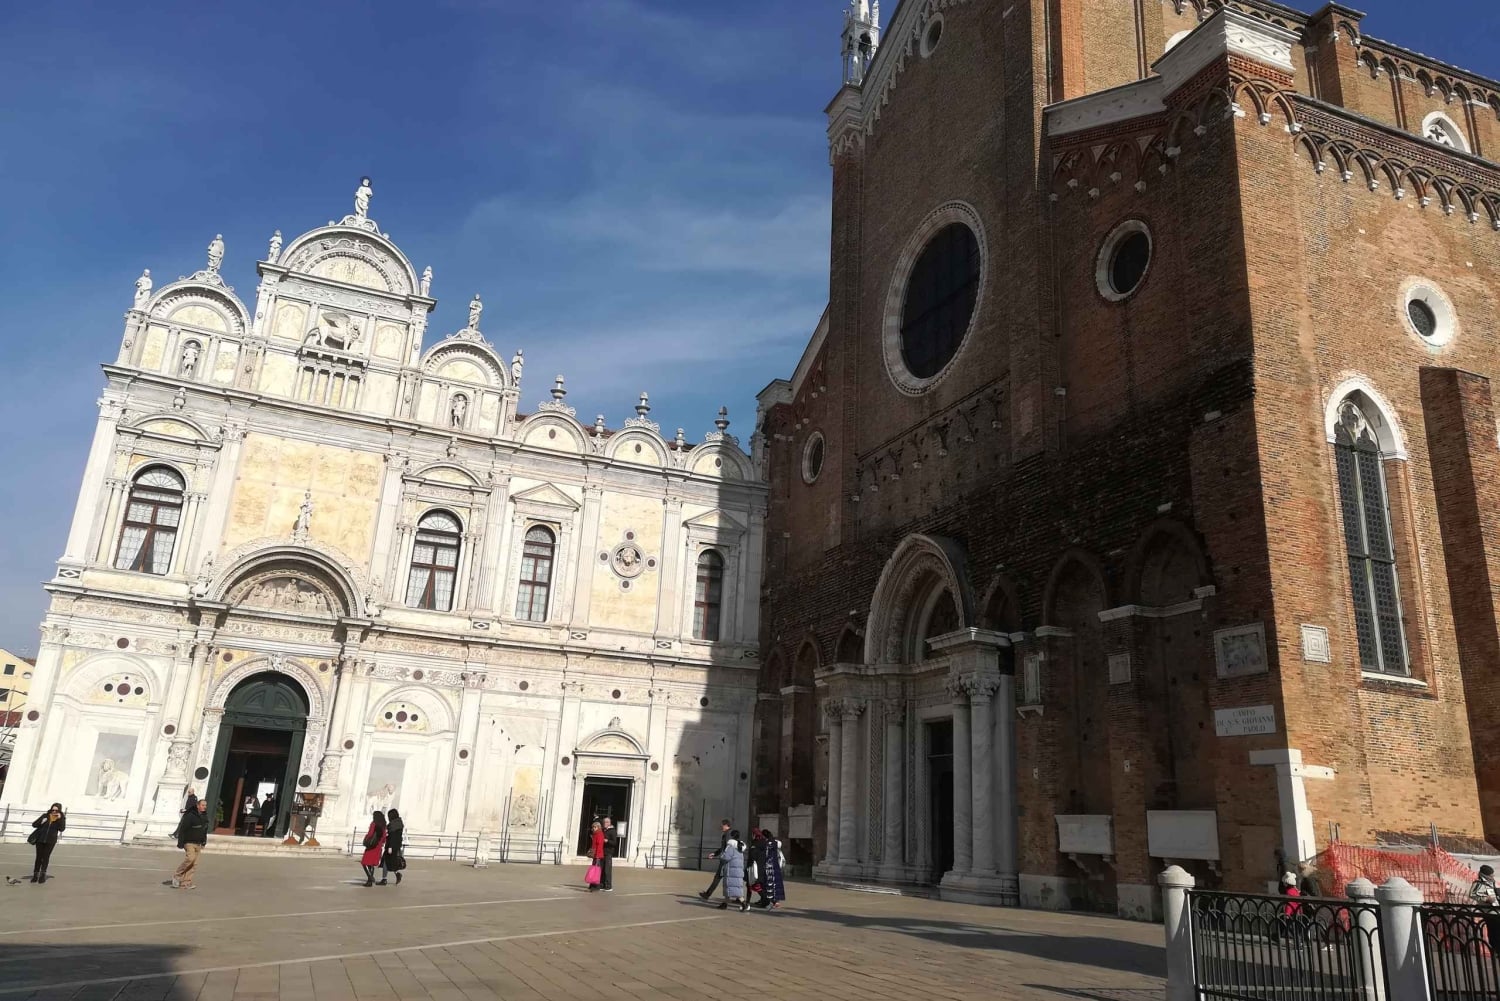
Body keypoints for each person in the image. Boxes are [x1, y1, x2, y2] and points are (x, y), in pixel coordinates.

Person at [171, 797, 209, 889]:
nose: (205, 807)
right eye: (203, 805)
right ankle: (177, 875)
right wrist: (180, 842)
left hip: (198, 843)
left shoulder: (205, 817)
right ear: (198, 806)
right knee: (190, 859)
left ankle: (186, 882)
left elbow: (204, 830)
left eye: (206, 805)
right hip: (189, 842)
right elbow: (183, 829)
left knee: (194, 864)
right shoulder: (190, 816)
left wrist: (204, 841)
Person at [29, 803, 66, 884]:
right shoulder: (45, 815)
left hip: (50, 841)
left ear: (59, 810)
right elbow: (34, 824)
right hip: (40, 840)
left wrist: (60, 819)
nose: (54, 811)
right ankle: (35, 875)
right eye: (53, 810)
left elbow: (62, 829)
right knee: (38, 857)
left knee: (45, 857)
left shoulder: (61, 818)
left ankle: (42, 875)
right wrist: (41, 822)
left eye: (56, 810)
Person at [698, 819, 733, 900]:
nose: (721, 827)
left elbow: (727, 848)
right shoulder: (728, 834)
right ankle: (738, 897)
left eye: (722, 825)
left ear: (726, 825)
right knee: (729, 878)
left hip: (725, 860)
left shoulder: (727, 835)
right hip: (727, 859)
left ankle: (708, 894)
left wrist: (719, 855)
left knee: (718, 877)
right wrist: (715, 854)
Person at [718, 830, 749, 912]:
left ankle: (744, 903)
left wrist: (721, 856)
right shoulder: (740, 847)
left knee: (731, 887)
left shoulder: (731, 846)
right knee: (734, 887)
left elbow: (726, 857)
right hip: (738, 871)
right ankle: (725, 903)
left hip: (731, 870)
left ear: (731, 836)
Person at [758, 826, 787, 909]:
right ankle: (776, 901)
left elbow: (765, 855)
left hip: (769, 867)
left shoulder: (766, 844)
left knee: (769, 884)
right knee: (776, 883)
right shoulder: (775, 842)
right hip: (775, 866)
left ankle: (771, 901)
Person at [360, 811, 387, 887]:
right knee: (371, 863)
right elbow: (384, 836)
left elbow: (370, 834)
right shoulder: (383, 825)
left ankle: (370, 878)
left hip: (372, 846)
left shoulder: (374, 824)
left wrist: (366, 839)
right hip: (378, 846)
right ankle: (370, 879)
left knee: (364, 862)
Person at [380, 808, 405, 885]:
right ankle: (396, 874)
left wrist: (390, 847)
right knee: (391, 862)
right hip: (396, 846)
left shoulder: (393, 825)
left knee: (386, 861)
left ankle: (384, 879)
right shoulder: (399, 823)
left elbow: (393, 837)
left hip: (391, 846)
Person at [746, 829, 768, 907]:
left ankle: (765, 900)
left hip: (754, 868)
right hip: (762, 867)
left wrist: (748, 865)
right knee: (758, 885)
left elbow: (752, 855)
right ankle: (764, 901)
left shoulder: (755, 843)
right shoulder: (764, 842)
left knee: (751, 885)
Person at [600, 817, 618, 892]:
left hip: (608, 852)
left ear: (609, 823)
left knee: (607, 870)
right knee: (602, 869)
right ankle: (602, 884)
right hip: (602, 852)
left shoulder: (612, 831)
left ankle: (608, 886)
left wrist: (607, 841)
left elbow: (614, 843)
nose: (605, 823)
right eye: (604, 822)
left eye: (607, 822)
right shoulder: (603, 830)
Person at [588, 820, 606, 891]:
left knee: (596, 870)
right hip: (595, 855)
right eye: (593, 827)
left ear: (598, 827)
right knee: (594, 869)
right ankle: (592, 884)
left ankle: (595, 885)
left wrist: (597, 855)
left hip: (598, 855)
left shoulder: (600, 834)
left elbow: (599, 845)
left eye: (595, 827)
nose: (593, 828)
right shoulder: (595, 834)